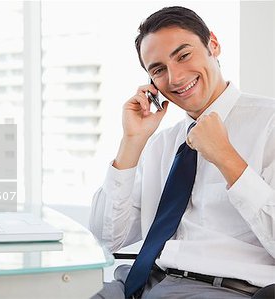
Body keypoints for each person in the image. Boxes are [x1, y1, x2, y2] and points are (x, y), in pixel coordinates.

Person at [89, 6, 275, 299]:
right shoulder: (161, 143)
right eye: (159, 69)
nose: (175, 78)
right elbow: (106, 238)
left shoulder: (270, 123)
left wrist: (226, 158)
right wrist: (131, 142)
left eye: (183, 55)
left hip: (223, 288)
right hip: (139, 284)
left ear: (212, 44)